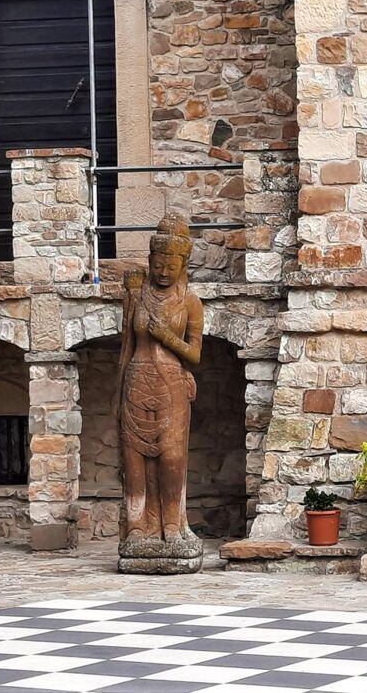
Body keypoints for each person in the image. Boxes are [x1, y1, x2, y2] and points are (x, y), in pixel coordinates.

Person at [117, 214, 203, 545]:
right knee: (134, 456)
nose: (164, 271)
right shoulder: (137, 296)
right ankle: (137, 526)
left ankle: (172, 523)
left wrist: (165, 335)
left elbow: (195, 355)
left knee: (171, 456)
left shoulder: (191, 303)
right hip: (136, 380)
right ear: (151, 261)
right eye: (158, 263)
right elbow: (127, 347)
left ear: (183, 264)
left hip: (171, 383)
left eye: (171, 264)